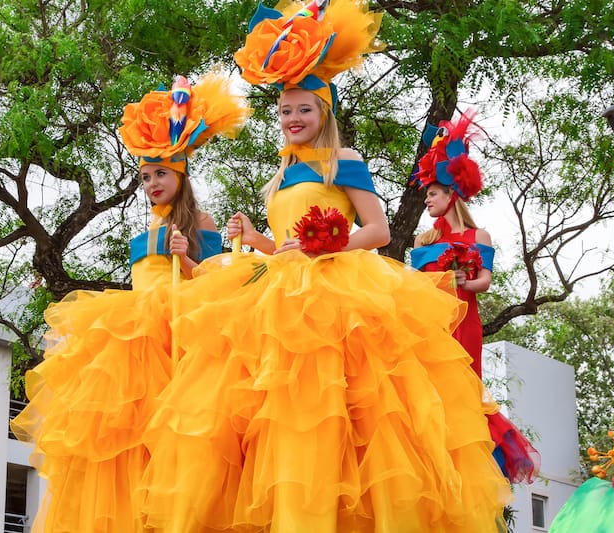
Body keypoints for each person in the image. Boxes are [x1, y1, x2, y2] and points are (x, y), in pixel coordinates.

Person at [137, 1, 511, 531]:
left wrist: (328, 249)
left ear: (324, 113)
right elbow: (285, 247)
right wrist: (256, 239)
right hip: (276, 292)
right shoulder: (281, 172)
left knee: (346, 413)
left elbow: (378, 233)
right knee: (268, 418)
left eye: (303, 110)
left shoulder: (345, 160)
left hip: (338, 292)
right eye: (286, 111)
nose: (292, 120)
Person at [10, 72, 250, 532]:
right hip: (135, 331)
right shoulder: (145, 230)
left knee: (171, 428)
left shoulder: (200, 219)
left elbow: (222, 282)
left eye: (160, 174)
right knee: (124, 435)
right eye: (145, 176)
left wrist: (190, 261)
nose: (152, 183)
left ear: (179, 174)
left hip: (177, 326)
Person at [410, 112, 541, 485]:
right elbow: (414, 287)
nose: (428, 201)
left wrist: (462, 282)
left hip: (464, 323)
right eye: (426, 196)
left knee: (463, 388)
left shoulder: (478, 235)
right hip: (431, 325)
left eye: (432, 194)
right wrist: (440, 284)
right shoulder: (425, 241)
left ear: (451, 195)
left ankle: (466, 460)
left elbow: (484, 281)